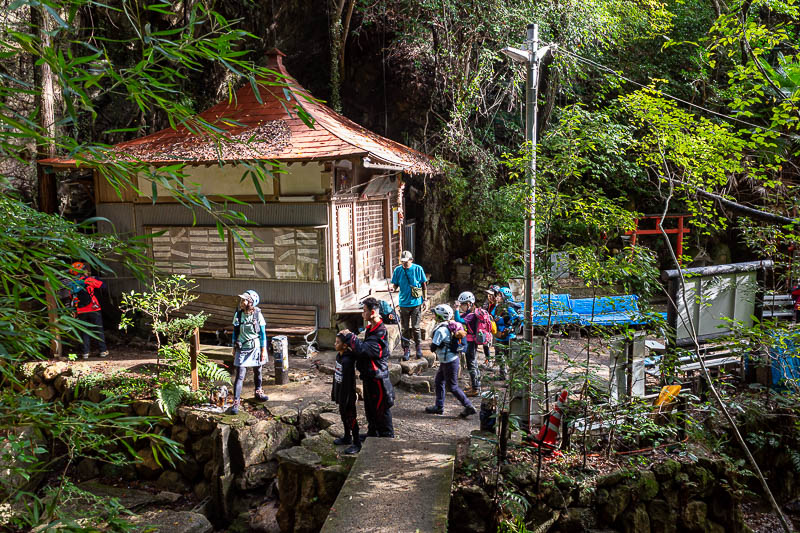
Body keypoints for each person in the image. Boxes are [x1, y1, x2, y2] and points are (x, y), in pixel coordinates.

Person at [339, 297, 395, 438]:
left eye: (364, 311)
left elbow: (365, 350)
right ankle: (373, 433)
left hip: (378, 377)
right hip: (369, 375)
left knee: (381, 409)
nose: (362, 314)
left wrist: (351, 338)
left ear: (373, 312)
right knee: (370, 409)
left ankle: (387, 437)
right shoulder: (370, 328)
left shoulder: (381, 332)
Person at [425, 304, 477, 417]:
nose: (433, 315)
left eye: (435, 314)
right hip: (449, 360)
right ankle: (439, 406)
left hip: (449, 361)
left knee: (452, 387)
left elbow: (433, 347)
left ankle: (468, 406)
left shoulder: (441, 330)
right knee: (439, 381)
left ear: (439, 316)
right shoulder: (450, 325)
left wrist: (434, 345)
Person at [230, 290, 269, 414]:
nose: (242, 302)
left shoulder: (258, 314)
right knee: (240, 374)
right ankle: (236, 402)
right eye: (242, 299)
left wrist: (263, 350)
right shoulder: (238, 314)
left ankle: (258, 391)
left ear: (251, 302)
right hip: (242, 347)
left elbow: (263, 334)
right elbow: (235, 332)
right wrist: (233, 347)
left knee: (258, 370)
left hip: (256, 346)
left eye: (244, 300)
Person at [390, 250, 428, 361]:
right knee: (405, 328)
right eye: (402, 262)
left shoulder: (418, 269)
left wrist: (425, 299)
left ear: (411, 260)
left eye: (406, 261)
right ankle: (406, 349)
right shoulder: (398, 270)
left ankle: (418, 347)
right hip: (403, 303)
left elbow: (423, 285)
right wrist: (393, 288)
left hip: (416, 303)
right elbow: (395, 284)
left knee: (416, 328)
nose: (404, 264)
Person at [68, 262, 109, 360]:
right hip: (94, 308)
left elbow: (71, 297)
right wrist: (96, 279)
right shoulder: (89, 280)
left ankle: (85, 353)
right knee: (99, 330)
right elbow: (103, 286)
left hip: (81, 310)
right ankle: (103, 351)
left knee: (84, 332)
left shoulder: (72, 284)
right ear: (83, 271)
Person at [454, 291, 491, 397]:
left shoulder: (471, 315)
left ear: (469, 304)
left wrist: (456, 309)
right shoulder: (470, 313)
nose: (461, 307)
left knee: (471, 364)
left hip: (471, 342)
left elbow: (458, 320)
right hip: (471, 340)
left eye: (463, 304)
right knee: (473, 363)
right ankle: (475, 385)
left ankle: (475, 388)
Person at [332, 333, 362, 454]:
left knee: (351, 418)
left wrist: (347, 398)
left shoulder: (348, 361)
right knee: (343, 415)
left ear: (345, 346)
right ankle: (347, 437)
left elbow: (348, 383)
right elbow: (337, 376)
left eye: (338, 342)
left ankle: (357, 443)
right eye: (335, 341)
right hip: (339, 391)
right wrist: (335, 392)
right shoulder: (338, 356)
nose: (335, 344)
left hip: (347, 395)